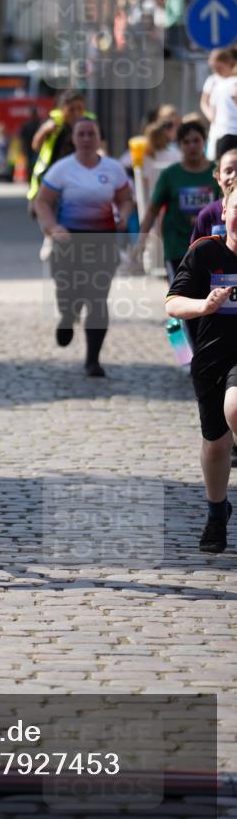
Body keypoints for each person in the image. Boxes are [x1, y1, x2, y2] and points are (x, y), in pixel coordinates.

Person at [165, 179, 237, 553]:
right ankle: (216, 512)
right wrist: (204, 305)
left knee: (236, 406)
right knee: (215, 443)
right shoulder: (206, 251)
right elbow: (172, 305)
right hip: (211, 357)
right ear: (224, 211)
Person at [34, 117, 132, 377]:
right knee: (68, 291)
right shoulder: (62, 169)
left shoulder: (113, 168)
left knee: (97, 299)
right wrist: (53, 227)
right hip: (69, 242)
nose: (87, 139)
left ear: (99, 138)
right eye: (82, 134)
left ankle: (92, 360)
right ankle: (68, 316)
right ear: (74, 139)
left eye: (92, 134)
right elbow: (41, 202)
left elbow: (126, 199)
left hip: (103, 242)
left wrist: (123, 216)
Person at [135, 120, 221, 282]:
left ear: (204, 142)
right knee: (180, 295)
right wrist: (141, 241)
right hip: (177, 248)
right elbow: (153, 209)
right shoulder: (170, 175)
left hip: (210, 248)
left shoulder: (218, 172)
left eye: (196, 140)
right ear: (179, 146)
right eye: (186, 142)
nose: (192, 146)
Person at [192, 149, 237, 241]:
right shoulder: (207, 214)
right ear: (218, 178)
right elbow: (197, 248)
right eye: (228, 171)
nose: (234, 176)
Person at [200, 49, 235, 161]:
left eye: (220, 67)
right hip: (220, 129)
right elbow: (204, 102)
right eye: (214, 68)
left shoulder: (232, 81)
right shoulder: (213, 81)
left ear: (229, 63)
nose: (217, 71)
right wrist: (210, 115)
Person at [209, 60, 237, 160]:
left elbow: (212, 113)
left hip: (222, 134)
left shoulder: (220, 85)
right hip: (229, 133)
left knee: (221, 166)